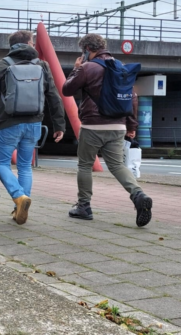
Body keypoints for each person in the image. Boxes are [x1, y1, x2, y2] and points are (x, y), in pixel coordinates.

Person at [61, 33, 153, 227]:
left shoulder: (87, 67)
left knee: (85, 165)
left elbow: (67, 90)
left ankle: (84, 207)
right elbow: (132, 98)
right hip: (118, 125)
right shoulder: (120, 67)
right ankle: (138, 195)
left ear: (87, 49)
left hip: (92, 125)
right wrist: (131, 126)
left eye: (82, 51)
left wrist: (75, 70)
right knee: (118, 165)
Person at [0, 30, 66, 225]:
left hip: (7, 124)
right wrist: (59, 124)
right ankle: (20, 205)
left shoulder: (2, 65)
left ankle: (19, 197)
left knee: (1, 163)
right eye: (32, 42)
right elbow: (53, 96)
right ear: (27, 43)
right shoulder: (42, 65)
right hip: (34, 123)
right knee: (25, 166)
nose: (33, 44)